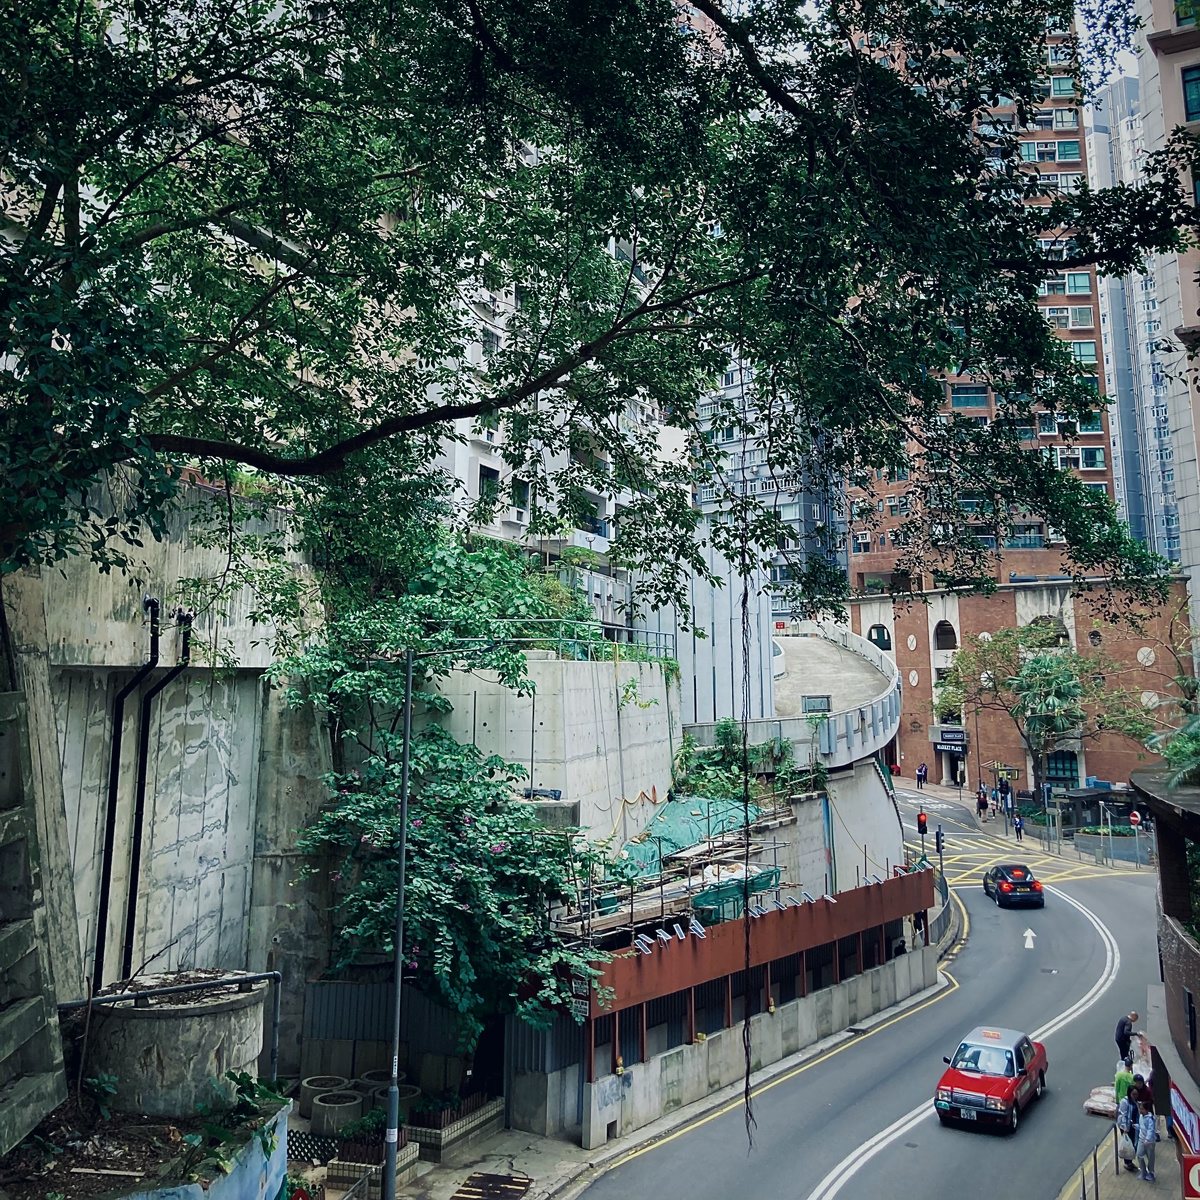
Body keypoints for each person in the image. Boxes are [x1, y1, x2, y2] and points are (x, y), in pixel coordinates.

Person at [1116, 1089, 1138, 1173]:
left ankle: (1130, 1161)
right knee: (1128, 1143)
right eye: (1133, 1094)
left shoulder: (1134, 1101)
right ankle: (1127, 1162)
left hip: (1133, 1125)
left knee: (1132, 1143)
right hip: (1126, 1126)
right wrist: (1125, 1127)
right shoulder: (1124, 1102)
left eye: (1136, 1094)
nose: (1135, 1096)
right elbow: (1123, 1114)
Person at [1135, 1101, 1157, 1182]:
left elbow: (1150, 1130)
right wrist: (1136, 1126)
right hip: (1141, 1139)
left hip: (1149, 1142)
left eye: (1142, 1109)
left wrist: (1147, 1139)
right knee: (1139, 1155)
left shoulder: (1150, 1119)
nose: (1140, 1111)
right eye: (1140, 1109)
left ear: (1147, 1110)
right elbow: (1141, 1127)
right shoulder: (1141, 1116)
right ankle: (1143, 1171)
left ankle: (1151, 1173)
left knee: (1150, 1158)